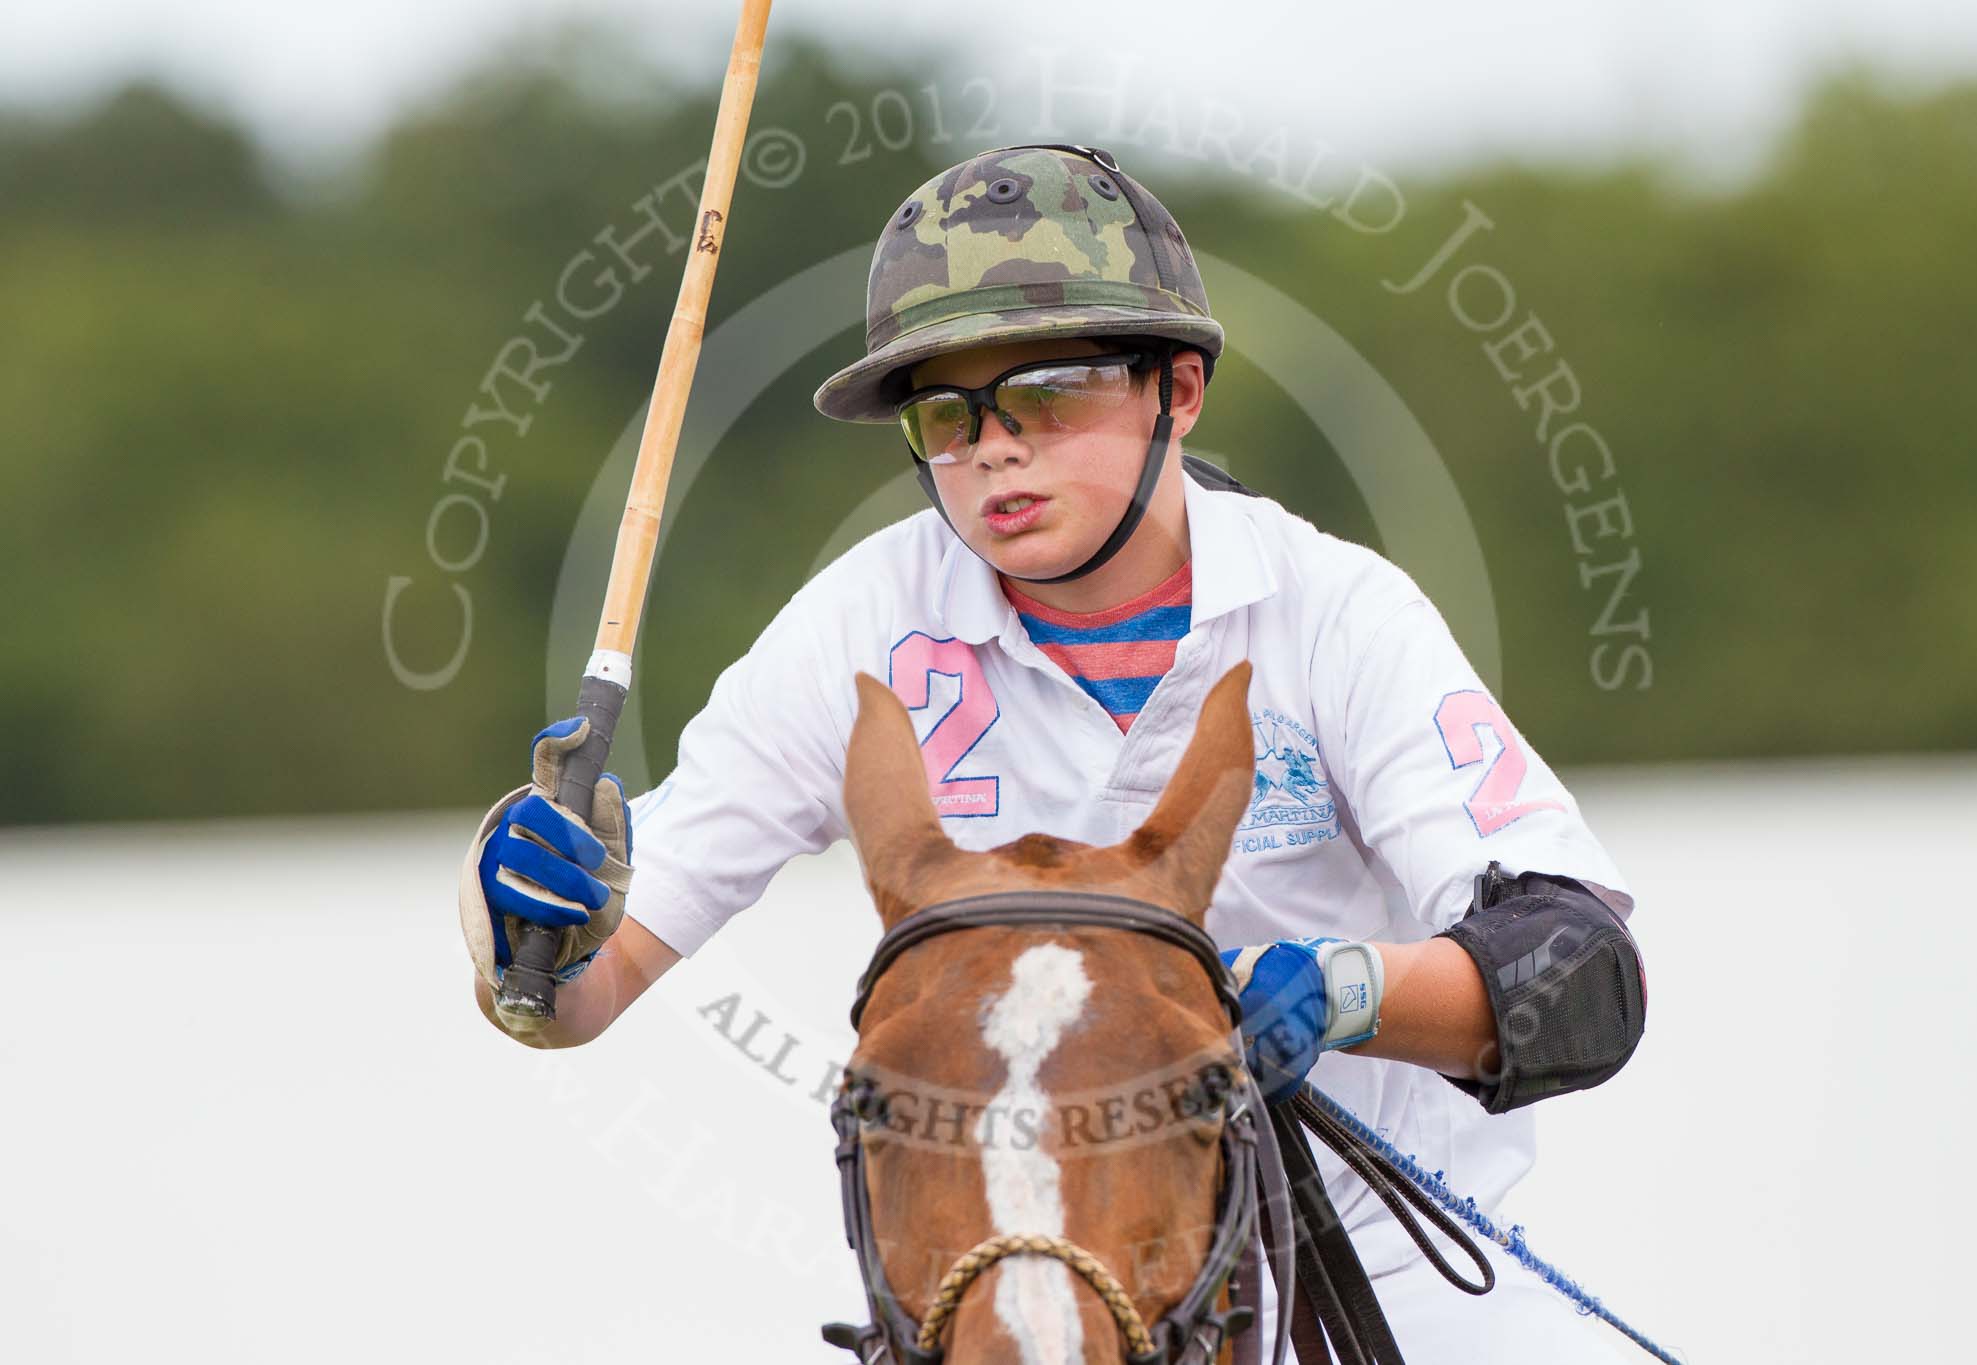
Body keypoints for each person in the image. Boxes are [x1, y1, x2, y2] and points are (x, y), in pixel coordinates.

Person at [457, 143, 1647, 1362]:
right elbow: (575, 995)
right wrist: (522, 926)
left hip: (1378, 1300)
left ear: (1175, 391)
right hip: (997, 1315)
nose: (993, 451)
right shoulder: (856, 629)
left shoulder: (1337, 613)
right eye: (946, 415)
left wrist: (1352, 990)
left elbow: (1581, 975)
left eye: (1046, 394)